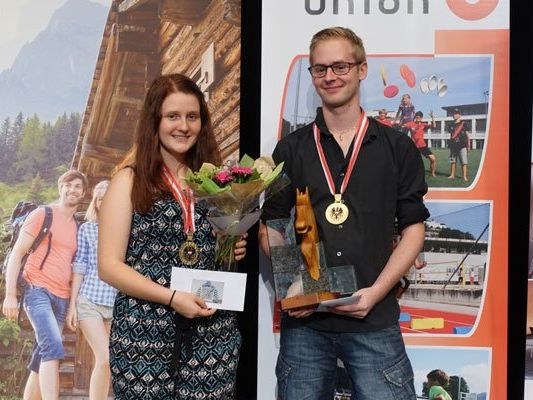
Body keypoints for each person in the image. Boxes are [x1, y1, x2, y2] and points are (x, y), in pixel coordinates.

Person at [258, 27, 429, 399]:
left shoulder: (397, 147)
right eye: (320, 69)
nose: (330, 77)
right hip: (306, 329)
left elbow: (414, 230)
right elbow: (271, 226)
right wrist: (292, 289)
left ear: (362, 69)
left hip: (374, 321)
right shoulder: (291, 148)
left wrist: (375, 294)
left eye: (340, 66)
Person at [98, 73, 247, 399]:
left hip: (213, 335)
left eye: (192, 117)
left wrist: (231, 246)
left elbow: (215, 250)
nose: (183, 126)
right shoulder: (129, 180)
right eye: (173, 116)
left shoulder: (216, 181)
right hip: (144, 336)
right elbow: (109, 266)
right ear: (155, 121)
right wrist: (171, 297)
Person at [2, 170, 88, 400]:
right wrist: (10, 294)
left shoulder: (77, 228)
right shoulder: (43, 214)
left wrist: (71, 306)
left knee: (42, 356)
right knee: (52, 349)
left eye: (78, 186)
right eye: (68, 185)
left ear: (83, 193)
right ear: (60, 187)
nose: (72, 190)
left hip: (62, 297)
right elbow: (17, 253)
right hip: (36, 290)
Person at [65, 180, 115, 400]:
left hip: (115, 303)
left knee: (105, 363)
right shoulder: (87, 229)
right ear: (96, 202)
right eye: (101, 198)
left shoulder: (126, 229)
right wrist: (72, 305)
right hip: (90, 299)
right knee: (104, 358)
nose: (105, 203)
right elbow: (80, 266)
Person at [403, 110, 438, 177]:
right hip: (414, 146)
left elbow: (434, 126)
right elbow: (402, 126)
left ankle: (433, 173)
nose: (418, 118)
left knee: (433, 159)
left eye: (419, 117)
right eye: (417, 117)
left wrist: (432, 117)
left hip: (422, 146)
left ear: (421, 118)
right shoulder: (411, 123)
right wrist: (404, 120)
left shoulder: (423, 124)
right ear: (415, 117)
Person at [447, 108, 470, 181]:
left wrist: (469, 146)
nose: (454, 115)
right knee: (453, 161)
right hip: (453, 146)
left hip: (462, 145)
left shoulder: (464, 123)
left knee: (464, 162)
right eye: (454, 113)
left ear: (460, 115)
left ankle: (464, 176)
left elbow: (467, 135)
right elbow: (451, 135)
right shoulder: (450, 124)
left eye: (456, 113)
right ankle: (452, 175)